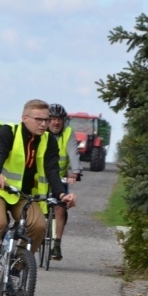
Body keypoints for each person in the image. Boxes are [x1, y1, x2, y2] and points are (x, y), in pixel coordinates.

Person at [0, 99, 76, 296]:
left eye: (46, 120)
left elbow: (52, 170)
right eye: (39, 120)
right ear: (24, 118)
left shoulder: (49, 140)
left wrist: (62, 194)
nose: (44, 124)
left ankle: (15, 270)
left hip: (22, 195)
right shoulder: (9, 131)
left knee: (39, 226)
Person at [46, 103, 82, 261]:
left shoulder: (68, 133)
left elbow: (73, 153)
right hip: (39, 178)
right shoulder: (41, 133)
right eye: (52, 119)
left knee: (60, 209)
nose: (56, 122)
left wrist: (75, 171)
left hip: (59, 178)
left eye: (59, 119)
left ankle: (56, 244)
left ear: (64, 121)